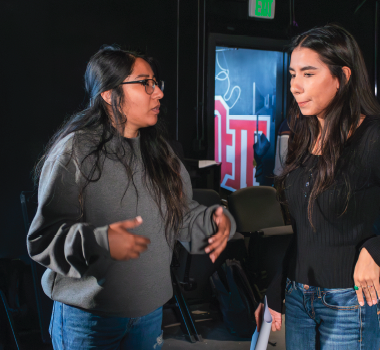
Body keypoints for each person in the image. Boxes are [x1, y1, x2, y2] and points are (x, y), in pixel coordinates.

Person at [27, 46, 236, 350]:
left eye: (156, 83)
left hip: (149, 315)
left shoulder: (162, 153)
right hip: (89, 320)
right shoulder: (75, 152)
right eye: (145, 83)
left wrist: (217, 221)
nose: (158, 93)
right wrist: (100, 242)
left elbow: (181, 217)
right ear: (110, 94)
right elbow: (43, 240)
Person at [255, 24, 380, 349]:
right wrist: (275, 290)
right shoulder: (303, 134)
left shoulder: (375, 137)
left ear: (342, 76)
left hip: (347, 303)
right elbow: (304, 230)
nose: (295, 86)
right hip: (297, 297)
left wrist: (376, 249)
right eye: (292, 74)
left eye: (308, 73)